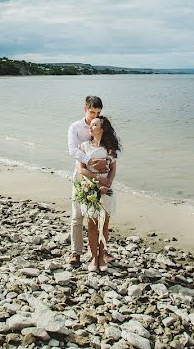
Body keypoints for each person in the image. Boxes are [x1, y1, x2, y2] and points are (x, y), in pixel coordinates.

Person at [74, 116, 121, 272]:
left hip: (106, 191)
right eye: (91, 125)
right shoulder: (84, 146)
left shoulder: (110, 149)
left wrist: (108, 183)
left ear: (102, 129)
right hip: (90, 189)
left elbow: (113, 170)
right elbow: (81, 169)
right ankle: (94, 257)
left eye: (94, 125)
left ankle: (102, 257)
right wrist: (97, 179)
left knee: (104, 226)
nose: (90, 127)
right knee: (92, 226)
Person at [68, 95, 108, 266]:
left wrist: (106, 162)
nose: (94, 115)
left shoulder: (103, 125)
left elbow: (113, 148)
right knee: (77, 215)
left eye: (97, 112)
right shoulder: (75, 127)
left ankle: (101, 253)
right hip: (81, 173)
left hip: (101, 176)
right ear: (85, 108)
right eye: (92, 112)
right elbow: (73, 150)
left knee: (101, 216)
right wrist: (90, 161)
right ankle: (76, 252)